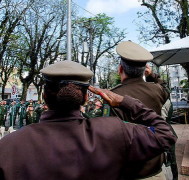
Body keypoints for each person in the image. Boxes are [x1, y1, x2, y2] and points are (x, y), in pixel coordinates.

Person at [0, 60, 176, 180]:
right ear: (85, 98)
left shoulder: (9, 146)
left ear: (45, 96)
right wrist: (125, 101)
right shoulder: (114, 131)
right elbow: (165, 134)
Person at [110, 41, 171, 180]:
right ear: (145, 70)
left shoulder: (112, 95)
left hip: (127, 171)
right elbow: (165, 88)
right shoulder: (157, 90)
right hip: (155, 168)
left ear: (120, 69)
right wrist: (152, 75)